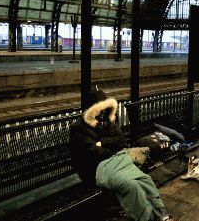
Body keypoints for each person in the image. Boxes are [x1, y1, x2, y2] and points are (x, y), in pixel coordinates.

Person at [70, 88, 173, 221]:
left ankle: (162, 215)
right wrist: (109, 147)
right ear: (91, 109)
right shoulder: (79, 127)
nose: (102, 112)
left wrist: (101, 142)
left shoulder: (109, 120)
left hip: (117, 160)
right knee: (132, 186)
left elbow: (120, 141)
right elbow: (93, 153)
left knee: (145, 180)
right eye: (99, 108)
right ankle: (147, 218)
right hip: (95, 168)